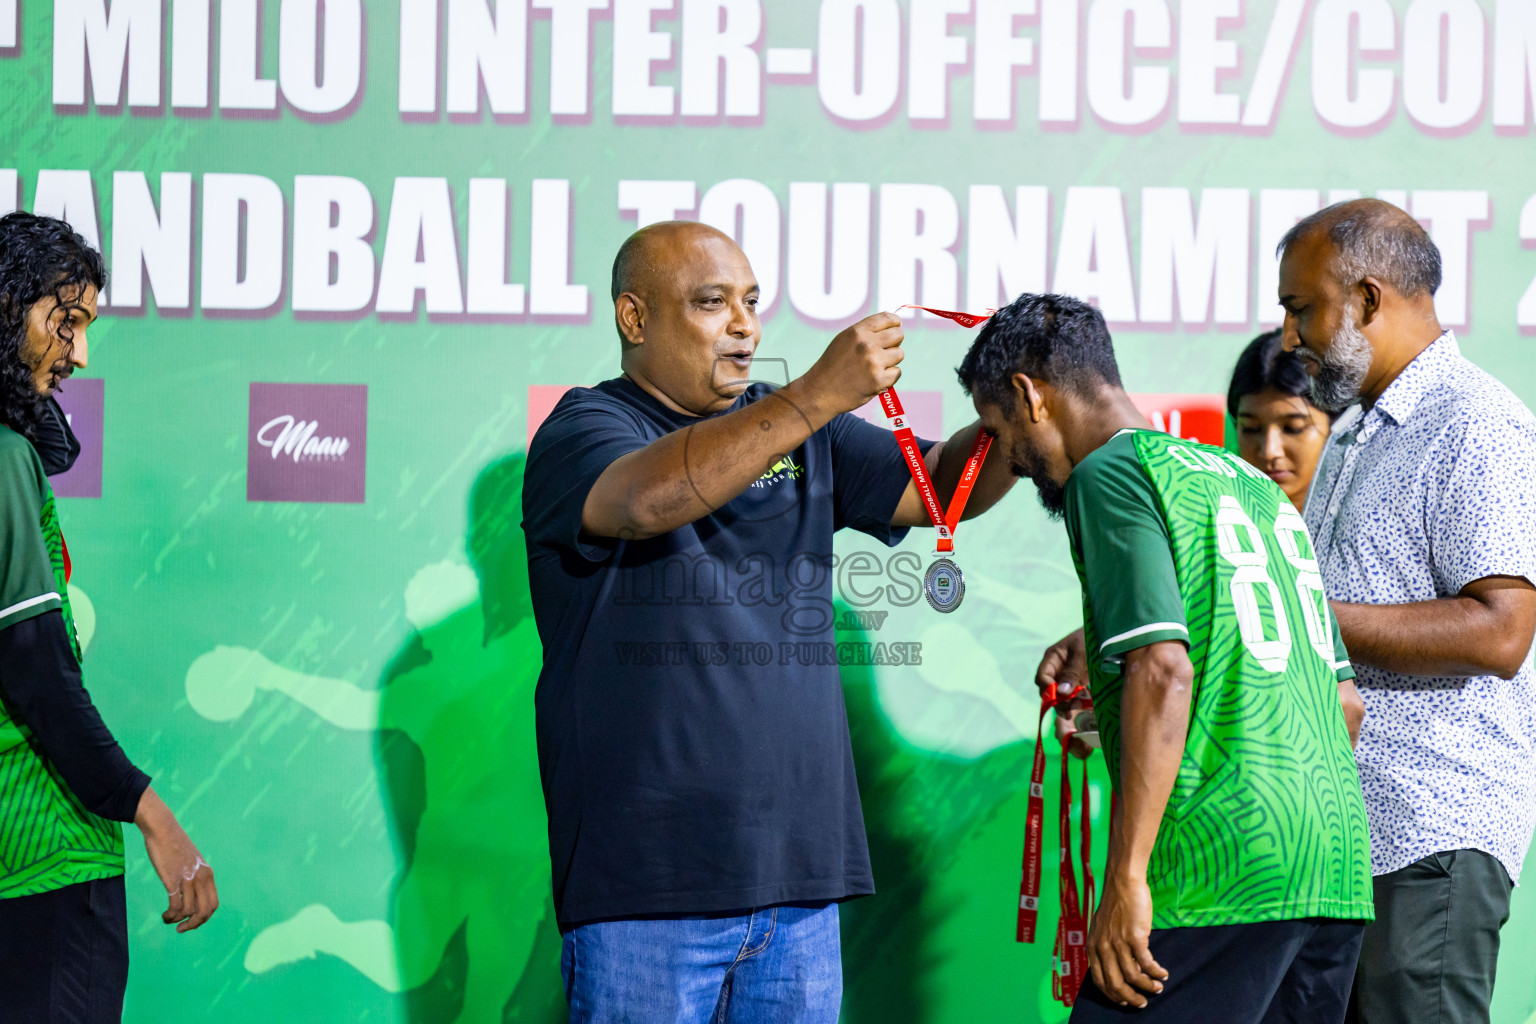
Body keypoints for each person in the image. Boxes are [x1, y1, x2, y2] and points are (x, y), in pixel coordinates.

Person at [521, 221, 1015, 1022]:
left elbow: (941, 486)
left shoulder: (797, 429)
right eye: (713, 302)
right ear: (634, 318)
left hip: (799, 888)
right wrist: (818, 392)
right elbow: (646, 502)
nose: (745, 324)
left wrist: (1013, 401)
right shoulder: (585, 430)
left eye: (751, 302)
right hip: (649, 890)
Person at [959, 293, 1373, 1023]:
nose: (1011, 461)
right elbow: (1343, 705)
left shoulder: (1108, 475)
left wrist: (1126, 878)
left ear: (1028, 395)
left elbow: (1163, 668)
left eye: (997, 431)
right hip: (1334, 867)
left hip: (1219, 867)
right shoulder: (1256, 489)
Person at [1275, 198, 1536, 1024]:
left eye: (1299, 308)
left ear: (1366, 300)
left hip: (1429, 833)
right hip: (1345, 844)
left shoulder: (1477, 424)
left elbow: (1503, 630)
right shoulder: (1358, 430)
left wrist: (1300, 610)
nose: (1289, 337)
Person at [0, 212, 218, 1023]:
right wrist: (151, 814)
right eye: (68, 321)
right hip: (47, 867)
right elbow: (37, 671)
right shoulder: (5, 457)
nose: (81, 354)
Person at [1227, 329, 1334, 510]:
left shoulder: (1368, 523)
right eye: (1250, 428)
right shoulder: (1213, 525)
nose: (1269, 451)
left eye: (1293, 428)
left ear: (1337, 426)